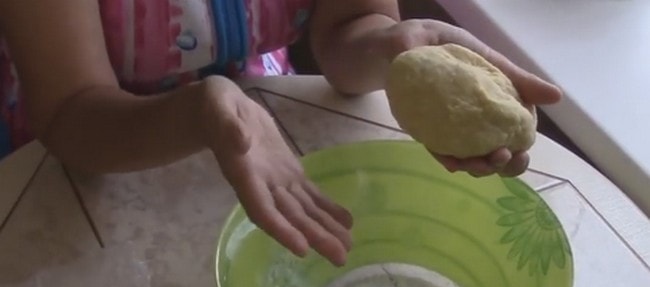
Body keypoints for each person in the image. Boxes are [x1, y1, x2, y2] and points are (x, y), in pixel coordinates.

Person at [0, 0, 562, 266]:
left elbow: (349, 30)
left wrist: (393, 49)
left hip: (264, 116)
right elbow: (71, 111)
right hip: (91, 147)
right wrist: (198, 112)